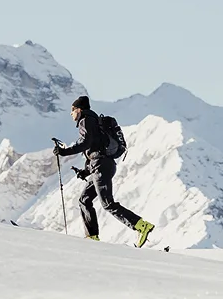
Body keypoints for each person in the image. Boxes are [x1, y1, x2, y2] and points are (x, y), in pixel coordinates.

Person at [53, 95, 157, 246]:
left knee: (107, 203)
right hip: (101, 165)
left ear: (79, 109)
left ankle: (141, 226)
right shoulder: (94, 122)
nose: (71, 114)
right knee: (84, 200)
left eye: (72, 110)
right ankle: (92, 237)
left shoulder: (86, 120)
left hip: (101, 166)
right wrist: (85, 171)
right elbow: (96, 151)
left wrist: (64, 152)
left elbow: (85, 144)